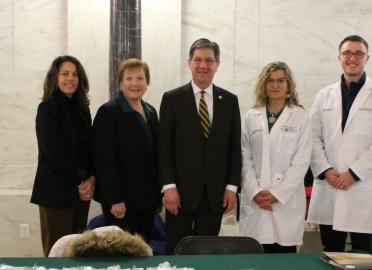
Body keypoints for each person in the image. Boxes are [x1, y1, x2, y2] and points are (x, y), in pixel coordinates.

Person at [307, 35, 372, 254]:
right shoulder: (324, 95)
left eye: (359, 53)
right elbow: (311, 137)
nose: (352, 58)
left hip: (362, 186)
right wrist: (326, 171)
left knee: (363, 254)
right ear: (339, 57)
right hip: (330, 183)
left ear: (367, 58)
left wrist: (354, 174)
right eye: (347, 53)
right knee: (331, 249)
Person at [158, 38, 242, 254]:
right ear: (189, 63)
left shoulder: (230, 101)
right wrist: (169, 187)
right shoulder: (172, 99)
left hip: (214, 195)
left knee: (207, 252)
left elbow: (234, 148)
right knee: (176, 250)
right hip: (179, 194)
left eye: (209, 60)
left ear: (217, 64)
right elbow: (164, 148)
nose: (203, 65)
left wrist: (232, 188)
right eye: (197, 60)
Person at [239, 62, 311, 253]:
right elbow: (244, 157)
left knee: (284, 263)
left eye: (281, 80)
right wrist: (254, 192)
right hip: (256, 200)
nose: (275, 85)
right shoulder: (250, 116)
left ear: (289, 85)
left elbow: (301, 161)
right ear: (263, 84)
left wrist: (278, 194)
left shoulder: (301, 117)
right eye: (270, 80)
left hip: (285, 202)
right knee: (256, 261)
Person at [31, 55, 95, 257]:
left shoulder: (83, 109)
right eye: (65, 74)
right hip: (56, 193)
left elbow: (89, 149)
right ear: (55, 78)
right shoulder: (46, 109)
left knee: (77, 252)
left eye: (75, 74)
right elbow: (54, 154)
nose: (71, 78)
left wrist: (90, 180)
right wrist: (80, 181)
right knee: (57, 253)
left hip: (81, 193)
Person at [93, 58, 160, 243]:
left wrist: (157, 198)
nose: (135, 83)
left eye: (140, 78)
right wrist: (115, 199)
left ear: (147, 82)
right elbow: (104, 160)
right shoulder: (108, 112)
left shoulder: (151, 111)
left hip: (146, 200)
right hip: (121, 202)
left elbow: (155, 157)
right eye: (129, 78)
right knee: (123, 253)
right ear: (121, 82)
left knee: (143, 249)